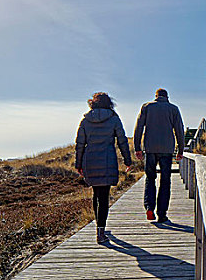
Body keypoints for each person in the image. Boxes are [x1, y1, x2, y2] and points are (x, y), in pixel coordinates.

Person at [75, 92, 132, 243]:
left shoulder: (85, 120)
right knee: (104, 196)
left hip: (91, 160)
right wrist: (128, 160)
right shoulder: (113, 119)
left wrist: (78, 164)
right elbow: (122, 141)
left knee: (96, 194)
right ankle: (101, 231)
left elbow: (80, 144)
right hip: (107, 161)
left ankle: (98, 228)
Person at [134, 88, 185, 223]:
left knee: (150, 178)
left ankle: (149, 207)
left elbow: (138, 127)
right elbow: (179, 129)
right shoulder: (173, 109)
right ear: (167, 97)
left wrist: (137, 148)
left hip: (150, 148)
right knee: (165, 180)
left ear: (156, 96)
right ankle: (162, 213)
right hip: (167, 149)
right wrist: (180, 150)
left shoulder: (146, 107)